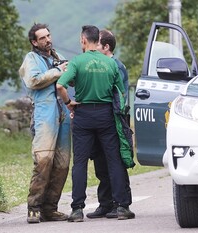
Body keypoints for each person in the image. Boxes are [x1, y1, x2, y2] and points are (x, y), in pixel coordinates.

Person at [56, 25, 135, 222]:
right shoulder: (110, 64)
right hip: (107, 115)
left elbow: (60, 86)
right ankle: (122, 207)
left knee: (80, 163)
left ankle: (77, 210)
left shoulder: (77, 62)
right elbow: (120, 93)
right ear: (96, 40)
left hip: (83, 115)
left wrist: (69, 103)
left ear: (83, 40)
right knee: (114, 160)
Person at [18, 23, 71, 224]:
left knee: (62, 163)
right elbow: (33, 81)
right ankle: (34, 207)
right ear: (34, 42)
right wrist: (59, 71)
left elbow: (68, 80)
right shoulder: (31, 59)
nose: (48, 40)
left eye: (48, 35)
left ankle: (50, 209)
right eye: (42, 38)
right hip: (44, 114)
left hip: (63, 114)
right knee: (43, 161)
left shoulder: (57, 57)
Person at [86, 29, 132, 219]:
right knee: (101, 164)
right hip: (100, 118)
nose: (93, 47)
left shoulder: (116, 66)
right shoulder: (99, 64)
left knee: (116, 162)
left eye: (96, 44)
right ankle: (105, 203)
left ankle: (122, 204)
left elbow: (117, 96)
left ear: (106, 47)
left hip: (114, 119)